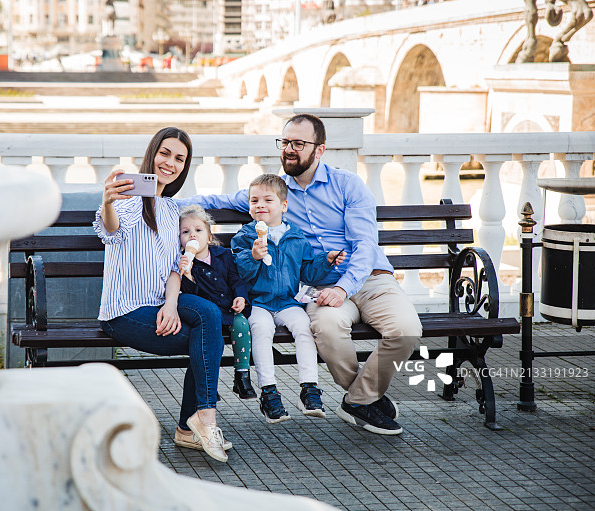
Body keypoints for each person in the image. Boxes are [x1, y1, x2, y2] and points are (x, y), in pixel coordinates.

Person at [177, 113, 422, 435]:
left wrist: (345, 288)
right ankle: (364, 397)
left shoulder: (347, 185)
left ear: (319, 150)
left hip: (370, 279)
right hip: (320, 287)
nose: (289, 150)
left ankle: (360, 399)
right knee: (327, 329)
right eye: (285, 142)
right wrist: (158, 202)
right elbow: (216, 200)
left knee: (406, 331)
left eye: (298, 143)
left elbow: (364, 244)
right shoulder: (276, 193)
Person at [94, 127, 229, 462]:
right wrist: (108, 201)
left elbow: (174, 269)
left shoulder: (172, 211)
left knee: (209, 315)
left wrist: (171, 305)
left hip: (160, 301)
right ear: (152, 154)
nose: (171, 162)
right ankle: (192, 423)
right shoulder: (126, 202)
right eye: (165, 153)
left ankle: (200, 420)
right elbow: (110, 231)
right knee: (206, 343)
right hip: (124, 311)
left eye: (180, 158)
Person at [230, 174, 345, 424]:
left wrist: (325, 261)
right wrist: (253, 257)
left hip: (288, 302)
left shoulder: (296, 236)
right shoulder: (244, 237)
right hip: (257, 302)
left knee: (304, 327)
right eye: (254, 200)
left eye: (267, 200)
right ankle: (269, 391)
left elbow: (306, 272)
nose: (260, 205)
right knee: (261, 329)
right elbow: (238, 272)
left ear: (283, 206)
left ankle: (309, 388)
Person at [178, 205, 257, 400]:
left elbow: (236, 280)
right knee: (209, 338)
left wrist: (240, 297)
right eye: (185, 232)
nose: (192, 236)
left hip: (229, 308)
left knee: (241, 324)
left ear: (210, 237)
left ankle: (242, 375)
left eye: (198, 230)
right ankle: (209, 379)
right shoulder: (185, 263)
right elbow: (190, 295)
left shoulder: (224, 255)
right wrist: (187, 275)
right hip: (207, 314)